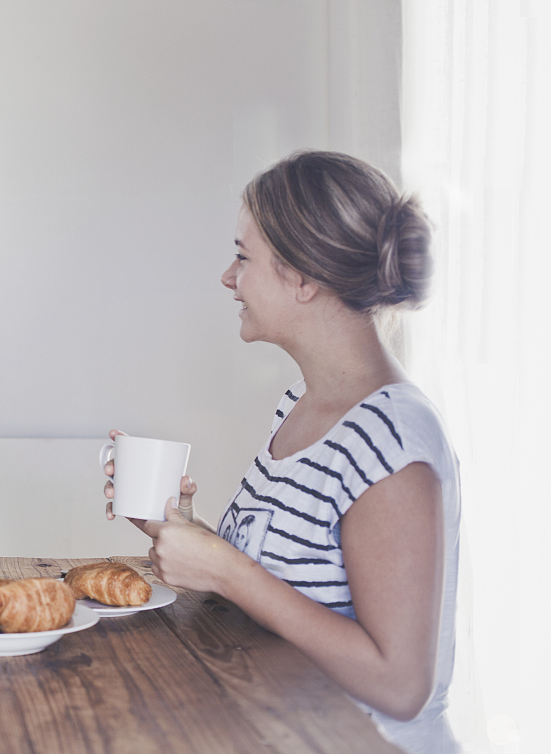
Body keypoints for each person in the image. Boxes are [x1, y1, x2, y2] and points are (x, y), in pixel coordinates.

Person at [104, 151, 460, 753]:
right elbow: (288, 585)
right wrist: (184, 532)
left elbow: (401, 686)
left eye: (243, 257)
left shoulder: (392, 438)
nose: (228, 277)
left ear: (303, 278)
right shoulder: (300, 403)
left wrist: (226, 570)